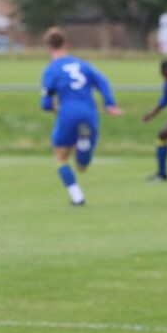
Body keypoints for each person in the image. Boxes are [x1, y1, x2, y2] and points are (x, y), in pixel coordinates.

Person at [40, 27, 121, 205]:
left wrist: (53, 109)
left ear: (47, 47)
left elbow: (45, 103)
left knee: (61, 158)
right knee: (82, 166)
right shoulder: (82, 65)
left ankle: (77, 197)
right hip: (89, 112)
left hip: (67, 112)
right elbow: (102, 81)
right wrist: (109, 104)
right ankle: (83, 145)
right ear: (66, 44)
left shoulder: (51, 70)